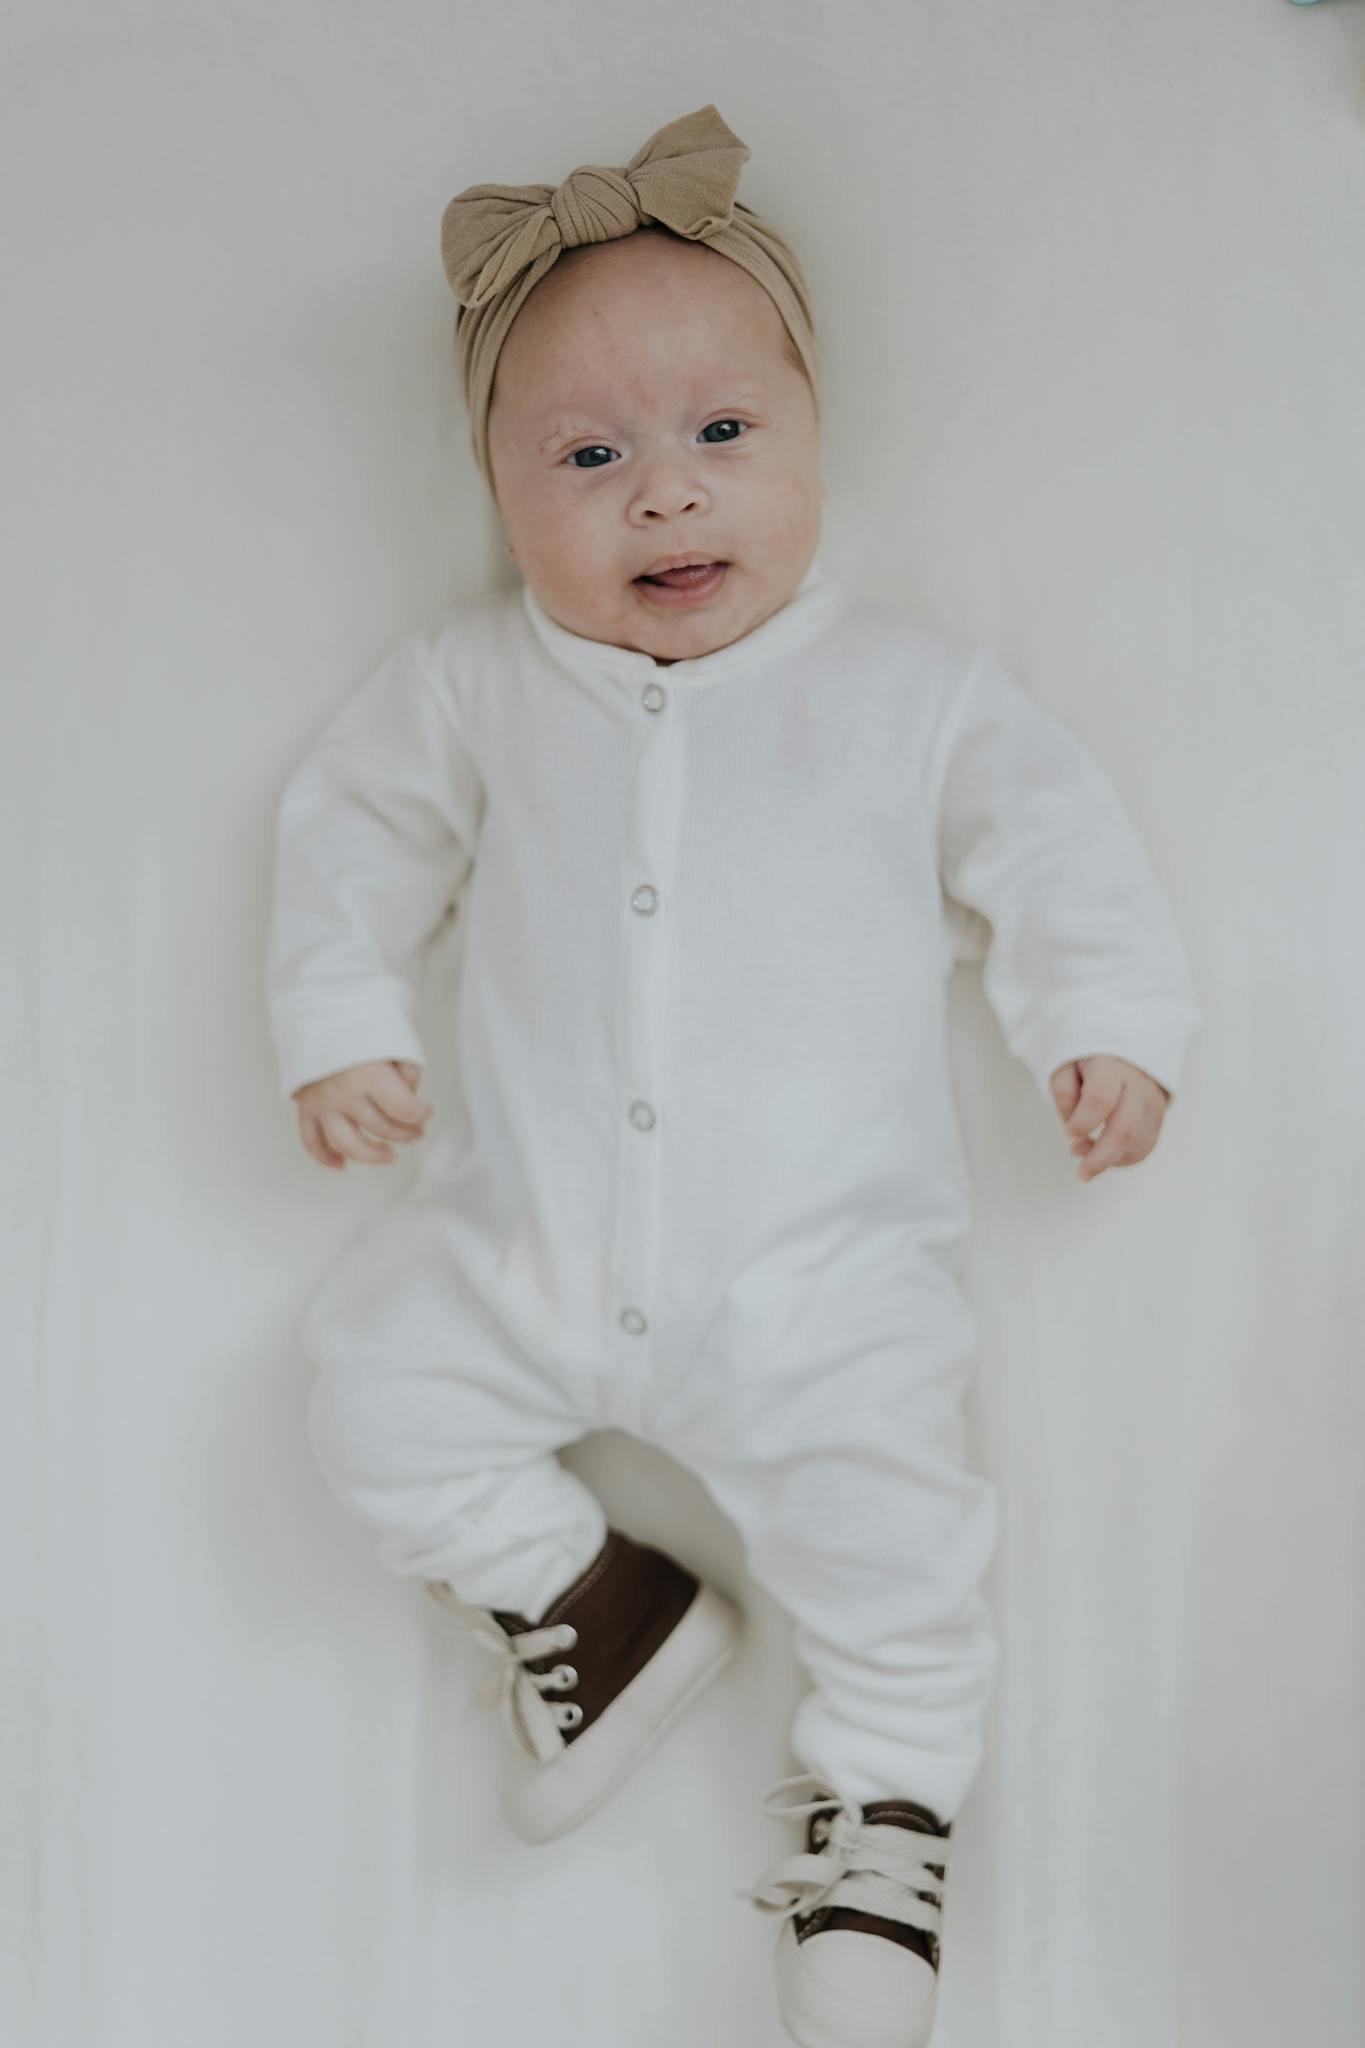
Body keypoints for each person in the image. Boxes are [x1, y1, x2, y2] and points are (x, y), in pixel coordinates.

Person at [264, 103, 1202, 2048]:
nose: (664, 498)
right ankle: (596, 1608)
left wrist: (1101, 1019)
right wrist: (338, 1016)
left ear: (813, 437)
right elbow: (350, 832)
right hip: (522, 1245)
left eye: (720, 433)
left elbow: (1051, 844)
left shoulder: (905, 693)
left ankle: (881, 1814)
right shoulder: (471, 686)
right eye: (587, 458)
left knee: (899, 1545)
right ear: (497, 488)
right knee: (367, 1385)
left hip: (818, 1282)